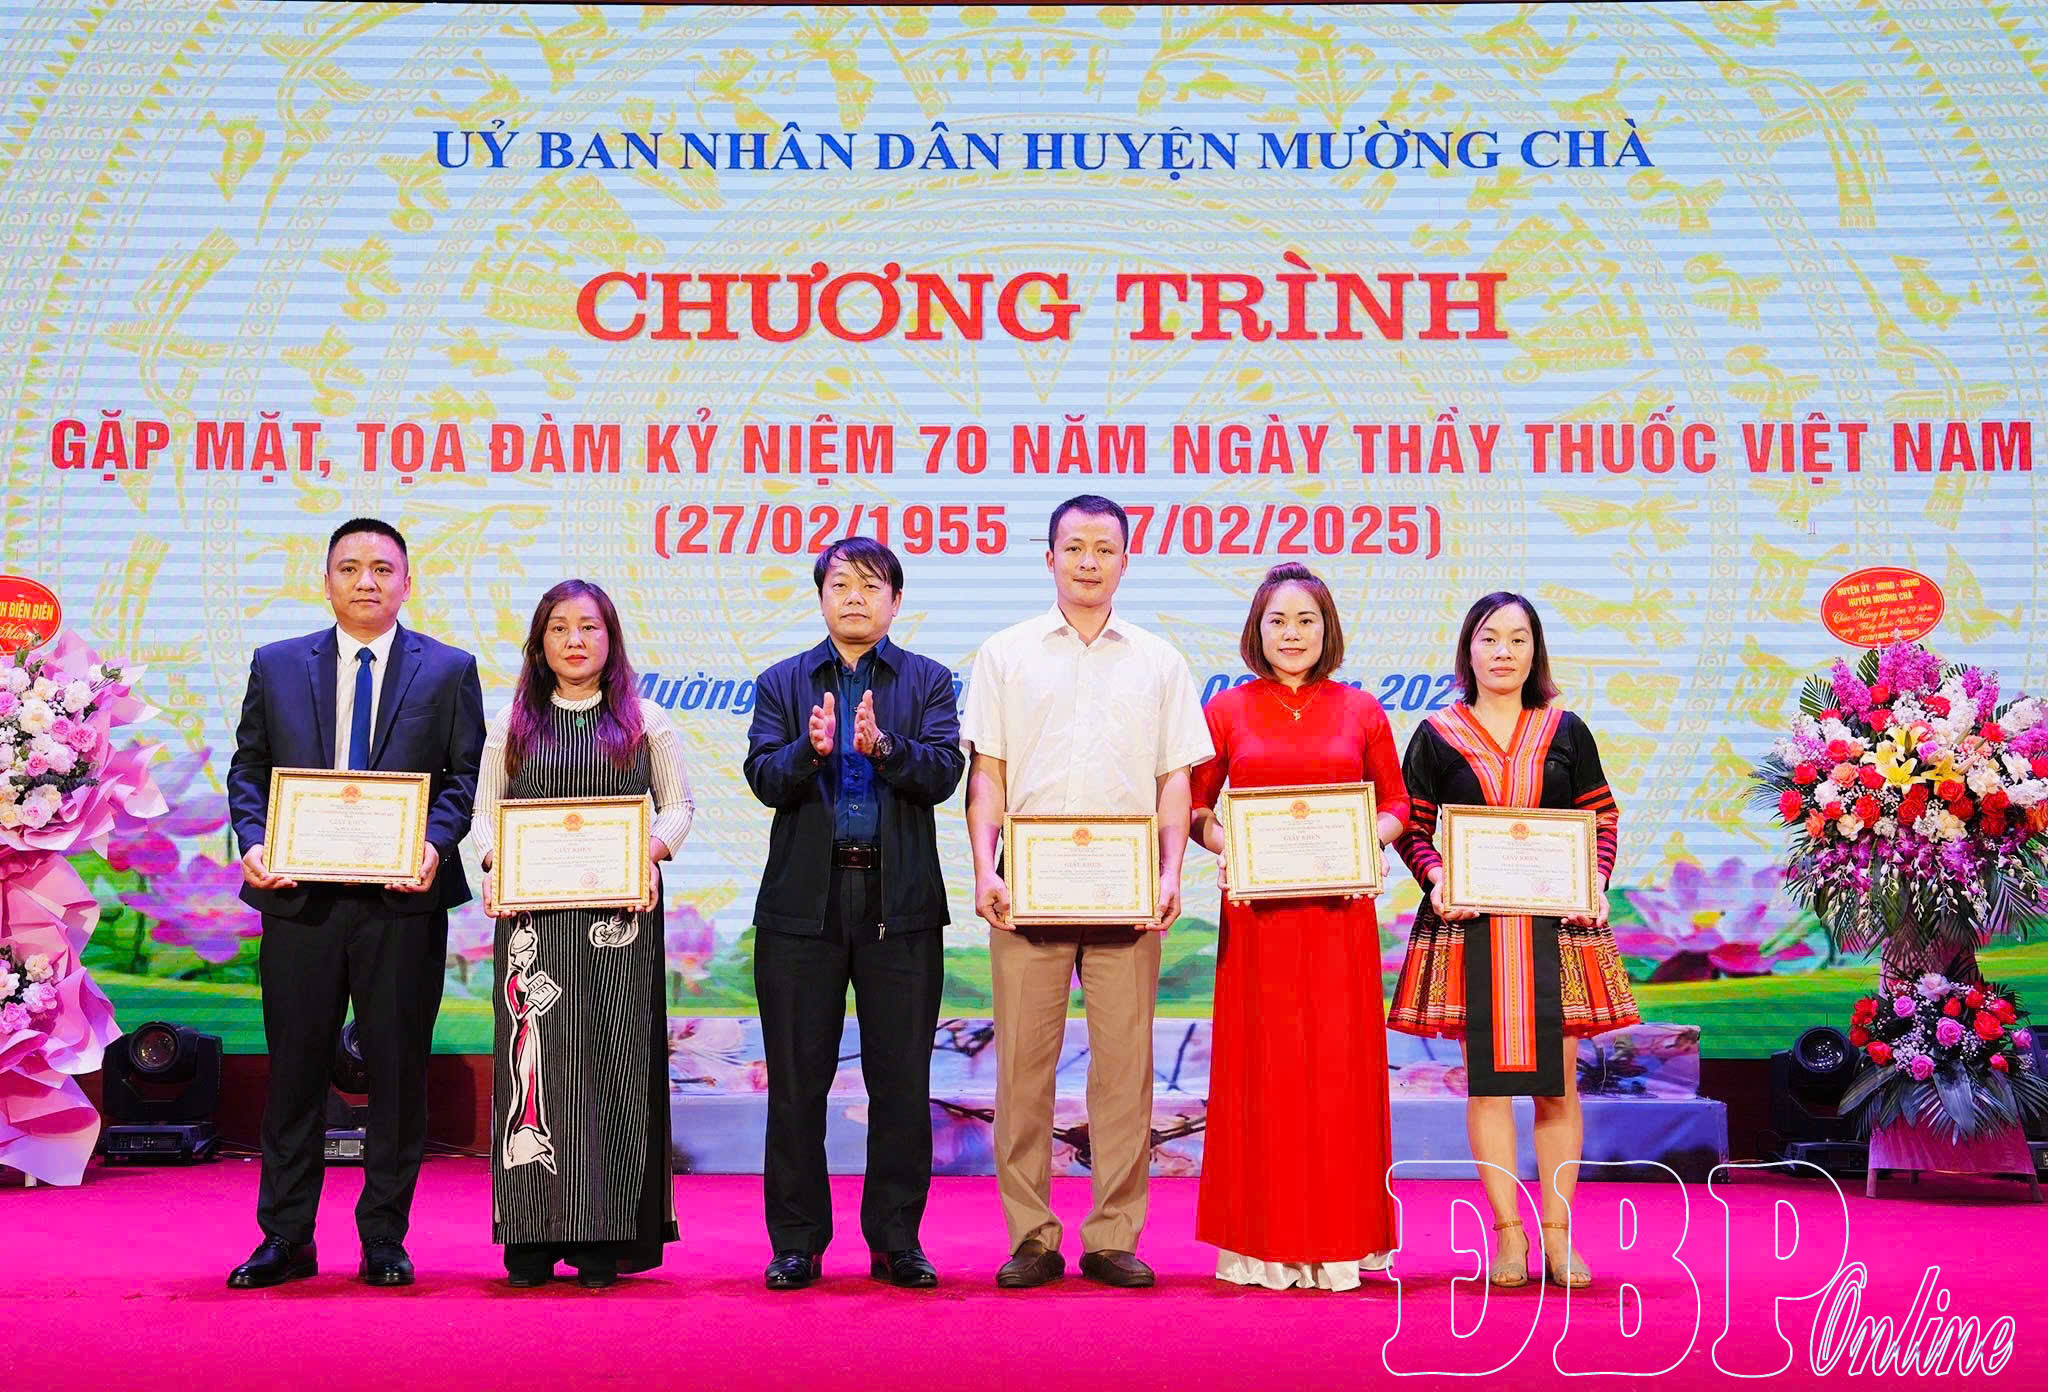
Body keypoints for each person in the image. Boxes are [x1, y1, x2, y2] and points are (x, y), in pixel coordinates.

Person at [225, 517, 484, 1289]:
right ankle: (286, 1238)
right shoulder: (277, 665)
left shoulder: (448, 669)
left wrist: (434, 842)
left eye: (381, 568)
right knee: (295, 1072)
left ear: (406, 582)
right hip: (299, 900)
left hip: (401, 905)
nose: (365, 581)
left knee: (397, 1075)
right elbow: (249, 771)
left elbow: (464, 779)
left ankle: (384, 1239)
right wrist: (253, 841)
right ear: (327, 580)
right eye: (349, 568)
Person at [961, 494, 1212, 1290]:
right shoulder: (1005, 654)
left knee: (1124, 1073)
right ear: (1049, 558)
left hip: (1126, 892)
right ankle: (1031, 1237)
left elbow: (1175, 780)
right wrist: (985, 868)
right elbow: (988, 774)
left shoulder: (1160, 662)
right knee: (1021, 1071)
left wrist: (1171, 874)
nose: (1089, 561)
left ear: (1126, 561)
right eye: (1074, 547)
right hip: (1028, 891)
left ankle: (1112, 1235)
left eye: (1105, 548)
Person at [1388, 591, 1638, 1290]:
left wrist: (1596, 880)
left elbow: (1601, 816)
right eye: (1489, 638)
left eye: (1518, 639)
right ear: (1468, 650)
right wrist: (1436, 875)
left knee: (1557, 1085)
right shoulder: (1437, 733)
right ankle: (1507, 1235)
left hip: (1559, 929)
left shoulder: (1567, 730)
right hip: (1470, 928)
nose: (1503, 652)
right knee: (1489, 1085)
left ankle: (1559, 1234)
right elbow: (1412, 824)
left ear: (1536, 651)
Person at [744, 537, 964, 1290]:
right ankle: (797, 1242)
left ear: (895, 602)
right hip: (801, 907)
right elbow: (763, 778)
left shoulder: (927, 681)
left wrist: (884, 746)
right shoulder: (783, 682)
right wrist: (810, 752)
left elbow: (944, 773)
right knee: (796, 1083)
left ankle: (897, 1241)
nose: (855, 598)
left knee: (899, 1083)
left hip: (898, 905)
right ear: (820, 598)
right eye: (840, 585)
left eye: (872, 586)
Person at [1188, 563, 1408, 1291]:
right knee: (1264, 1073)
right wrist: (1230, 846)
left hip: (1340, 918)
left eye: (1305, 620)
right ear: (1257, 630)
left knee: (1339, 1073)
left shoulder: (1361, 709)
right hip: (1258, 922)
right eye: (1277, 621)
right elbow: (1195, 808)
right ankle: (1261, 1242)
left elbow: (1398, 807)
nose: (1291, 634)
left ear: (1327, 629)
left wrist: (1363, 842)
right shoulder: (1226, 710)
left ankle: (1343, 1241)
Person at [475, 579, 694, 1289]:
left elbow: (678, 808)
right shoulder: (510, 724)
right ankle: (531, 1238)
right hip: (532, 925)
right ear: (539, 643)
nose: (575, 640)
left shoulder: (646, 719)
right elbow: (484, 816)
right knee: (535, 1073)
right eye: (559, 627)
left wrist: (648, 854)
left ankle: (605, 1235)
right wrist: (493, 866)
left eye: (589, 627)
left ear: (611, 638)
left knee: (612, 1066)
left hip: (618, 923)